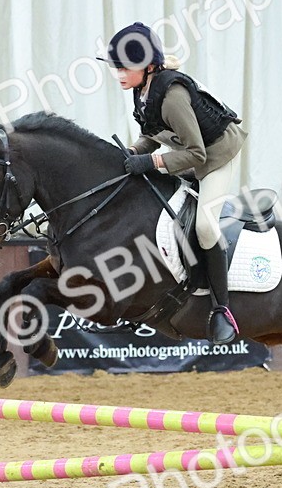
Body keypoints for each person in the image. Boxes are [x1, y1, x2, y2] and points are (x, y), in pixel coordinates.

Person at [98, 22, 247, 345]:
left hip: (216, 157)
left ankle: (222, 310)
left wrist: (150, 162)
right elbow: (152, 135)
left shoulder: (173, 96)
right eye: (116, 67)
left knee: (206, 226)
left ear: (148, 67)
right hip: (188, 155)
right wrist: (129, 153)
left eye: (125, 67)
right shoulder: (143, 89)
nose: (119, 74)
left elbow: (196, 153)